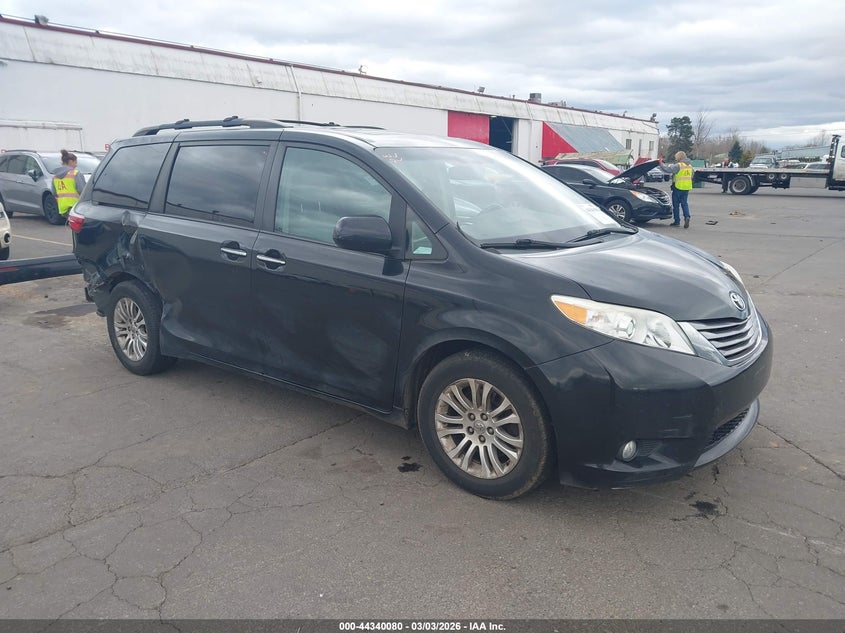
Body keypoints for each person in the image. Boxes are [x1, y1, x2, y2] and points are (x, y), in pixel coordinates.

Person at [658, 151, 693, 228]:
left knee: (676, 205)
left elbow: (668, 169)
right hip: (686, 187)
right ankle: (687, 216)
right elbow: (691, 176)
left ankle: (677, 221)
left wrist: (660, 163)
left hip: (678, 187)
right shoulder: (690, 166)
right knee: (684, 203)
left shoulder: (678, 165)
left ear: (679, 157)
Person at [51, 149, 87, 220]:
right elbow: (83, 191)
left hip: (63, 208)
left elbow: (54, 193)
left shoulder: (55, 177)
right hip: (76, 207)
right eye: (75, 162)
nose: (76, 165)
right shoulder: (75, 174)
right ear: (70, 162)